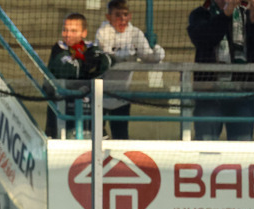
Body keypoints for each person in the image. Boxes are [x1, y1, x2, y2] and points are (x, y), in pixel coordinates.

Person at [188, 0, 254, 141]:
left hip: (242, 93)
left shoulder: (245, 14)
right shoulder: (200, 14)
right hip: (208, 94)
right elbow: (203, 39)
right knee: (206, 145)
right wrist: (226, 14)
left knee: (242, 147)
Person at [95, 0, 166, 139]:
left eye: (125, 15)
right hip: (100, 94)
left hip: (122, 96)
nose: (122, 19)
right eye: (117, 15)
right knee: (97, 136)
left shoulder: (135, 33)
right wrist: (126, 52)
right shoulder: (102, 33)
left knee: (121, 136)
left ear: (130, 16)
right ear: (109, 17)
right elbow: (108, 56)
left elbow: (147, 56)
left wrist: (157, 53)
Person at [45, 13, 114, 138]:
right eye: (65, 30)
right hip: (62, 118)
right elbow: (65, 70)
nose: (68, 34)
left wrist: (88, 64)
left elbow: (107, 63)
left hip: (90, 118)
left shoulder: (92, 48)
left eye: (73, 31)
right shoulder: (58, 49)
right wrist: (87, 67)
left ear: (84, 33)